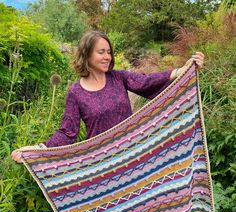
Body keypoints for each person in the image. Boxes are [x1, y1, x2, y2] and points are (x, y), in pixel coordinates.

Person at [11, 30, 205, 163]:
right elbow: (67, 133)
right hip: (102, 163)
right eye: (101, 52)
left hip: (132, 153)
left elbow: (148, 82)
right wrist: (37, 149)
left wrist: (182, 70)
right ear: (86, 55)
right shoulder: (75, 92)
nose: (107, 57)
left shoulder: (119, 78)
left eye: (109, 52)